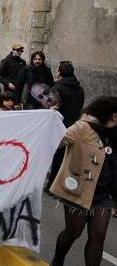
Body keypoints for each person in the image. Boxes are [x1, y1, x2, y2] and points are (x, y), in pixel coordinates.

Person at [49, 96, 117, 266]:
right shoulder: (81, 128)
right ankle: (58, 260)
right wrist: (49, 120)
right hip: (78, 192)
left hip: (104, 196)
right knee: (73, 232)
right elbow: (56, 140)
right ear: (114, 116)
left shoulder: (115, 134)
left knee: (98, 237)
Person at [49, 61, 86, 186]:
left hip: (58, 125)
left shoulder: (57, 88)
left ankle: (52, 184)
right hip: (73, 125)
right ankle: (62, 182)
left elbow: (52, 108)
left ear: (59, 72)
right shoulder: (79, 89)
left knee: (57, 155)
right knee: (67, 156)